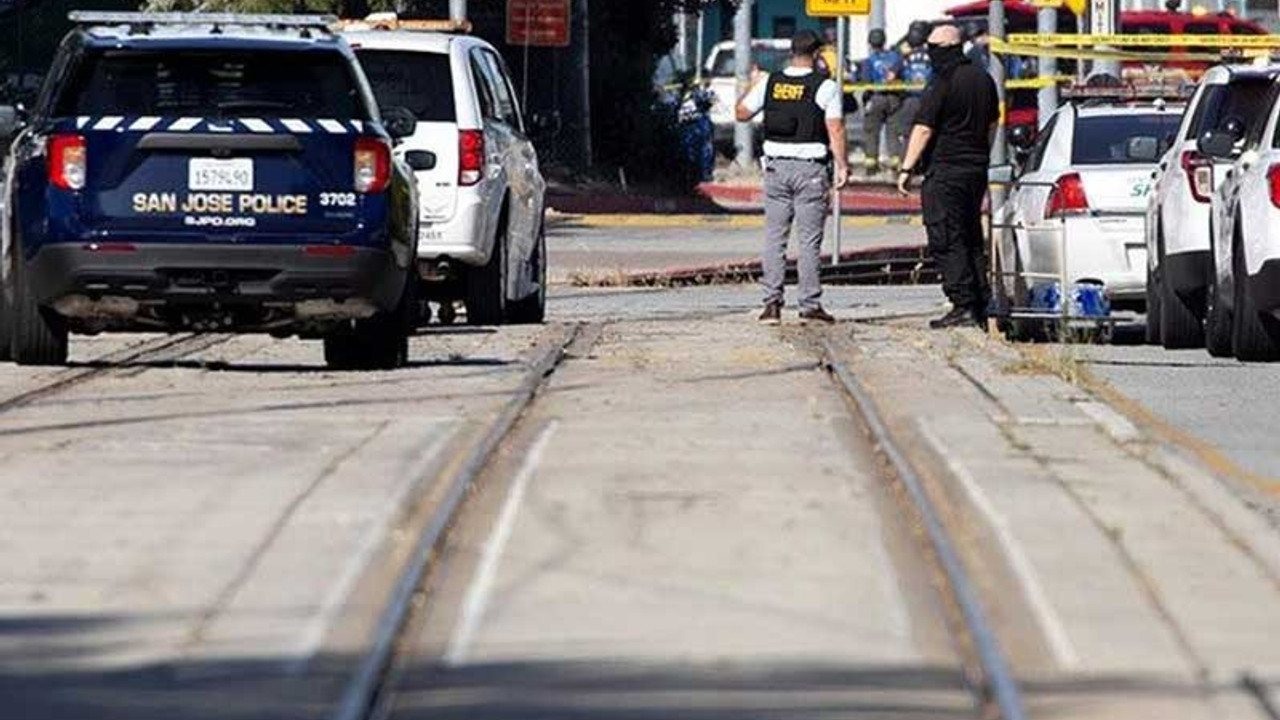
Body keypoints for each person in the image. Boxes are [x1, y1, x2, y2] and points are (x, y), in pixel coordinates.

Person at [736, 29, 849, 325]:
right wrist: (843, 165)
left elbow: (741, 113)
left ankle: (771, 305)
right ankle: (809, 304)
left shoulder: (770, 82)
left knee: (775, 238)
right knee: (809, 241)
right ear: (817, 54)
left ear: (791, 51)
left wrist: (751, 84)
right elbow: (835, 128)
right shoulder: (825, 87)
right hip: (810, 170)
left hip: (775, 169)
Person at [896, 24, 998, 329]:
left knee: (946, 236)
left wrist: (906, 168)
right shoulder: (984, 78)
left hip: (946, 170)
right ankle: (980, 303)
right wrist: (981, 154)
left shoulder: (942, 80)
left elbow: (924, 127)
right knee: (969, 235)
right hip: (976, 169)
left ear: (943, 50)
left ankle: (963, 304)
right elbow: (993, 124)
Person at [858, 28, 903, 176]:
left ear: (870, 43)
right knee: (893, 131)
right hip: (894, 98)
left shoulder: (869, 60)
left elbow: (865, 81)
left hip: (876, 98)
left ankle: (871, 163)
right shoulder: (896, 57)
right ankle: (895, 161)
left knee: (871, 131)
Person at [891, 21, 933, 168]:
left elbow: (890, 76)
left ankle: (907, 165)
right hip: (931, 99)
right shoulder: (934, 53)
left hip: (911, 100)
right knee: (928, 132)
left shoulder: (904, 55)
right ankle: (924, 164)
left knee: (905, 132)